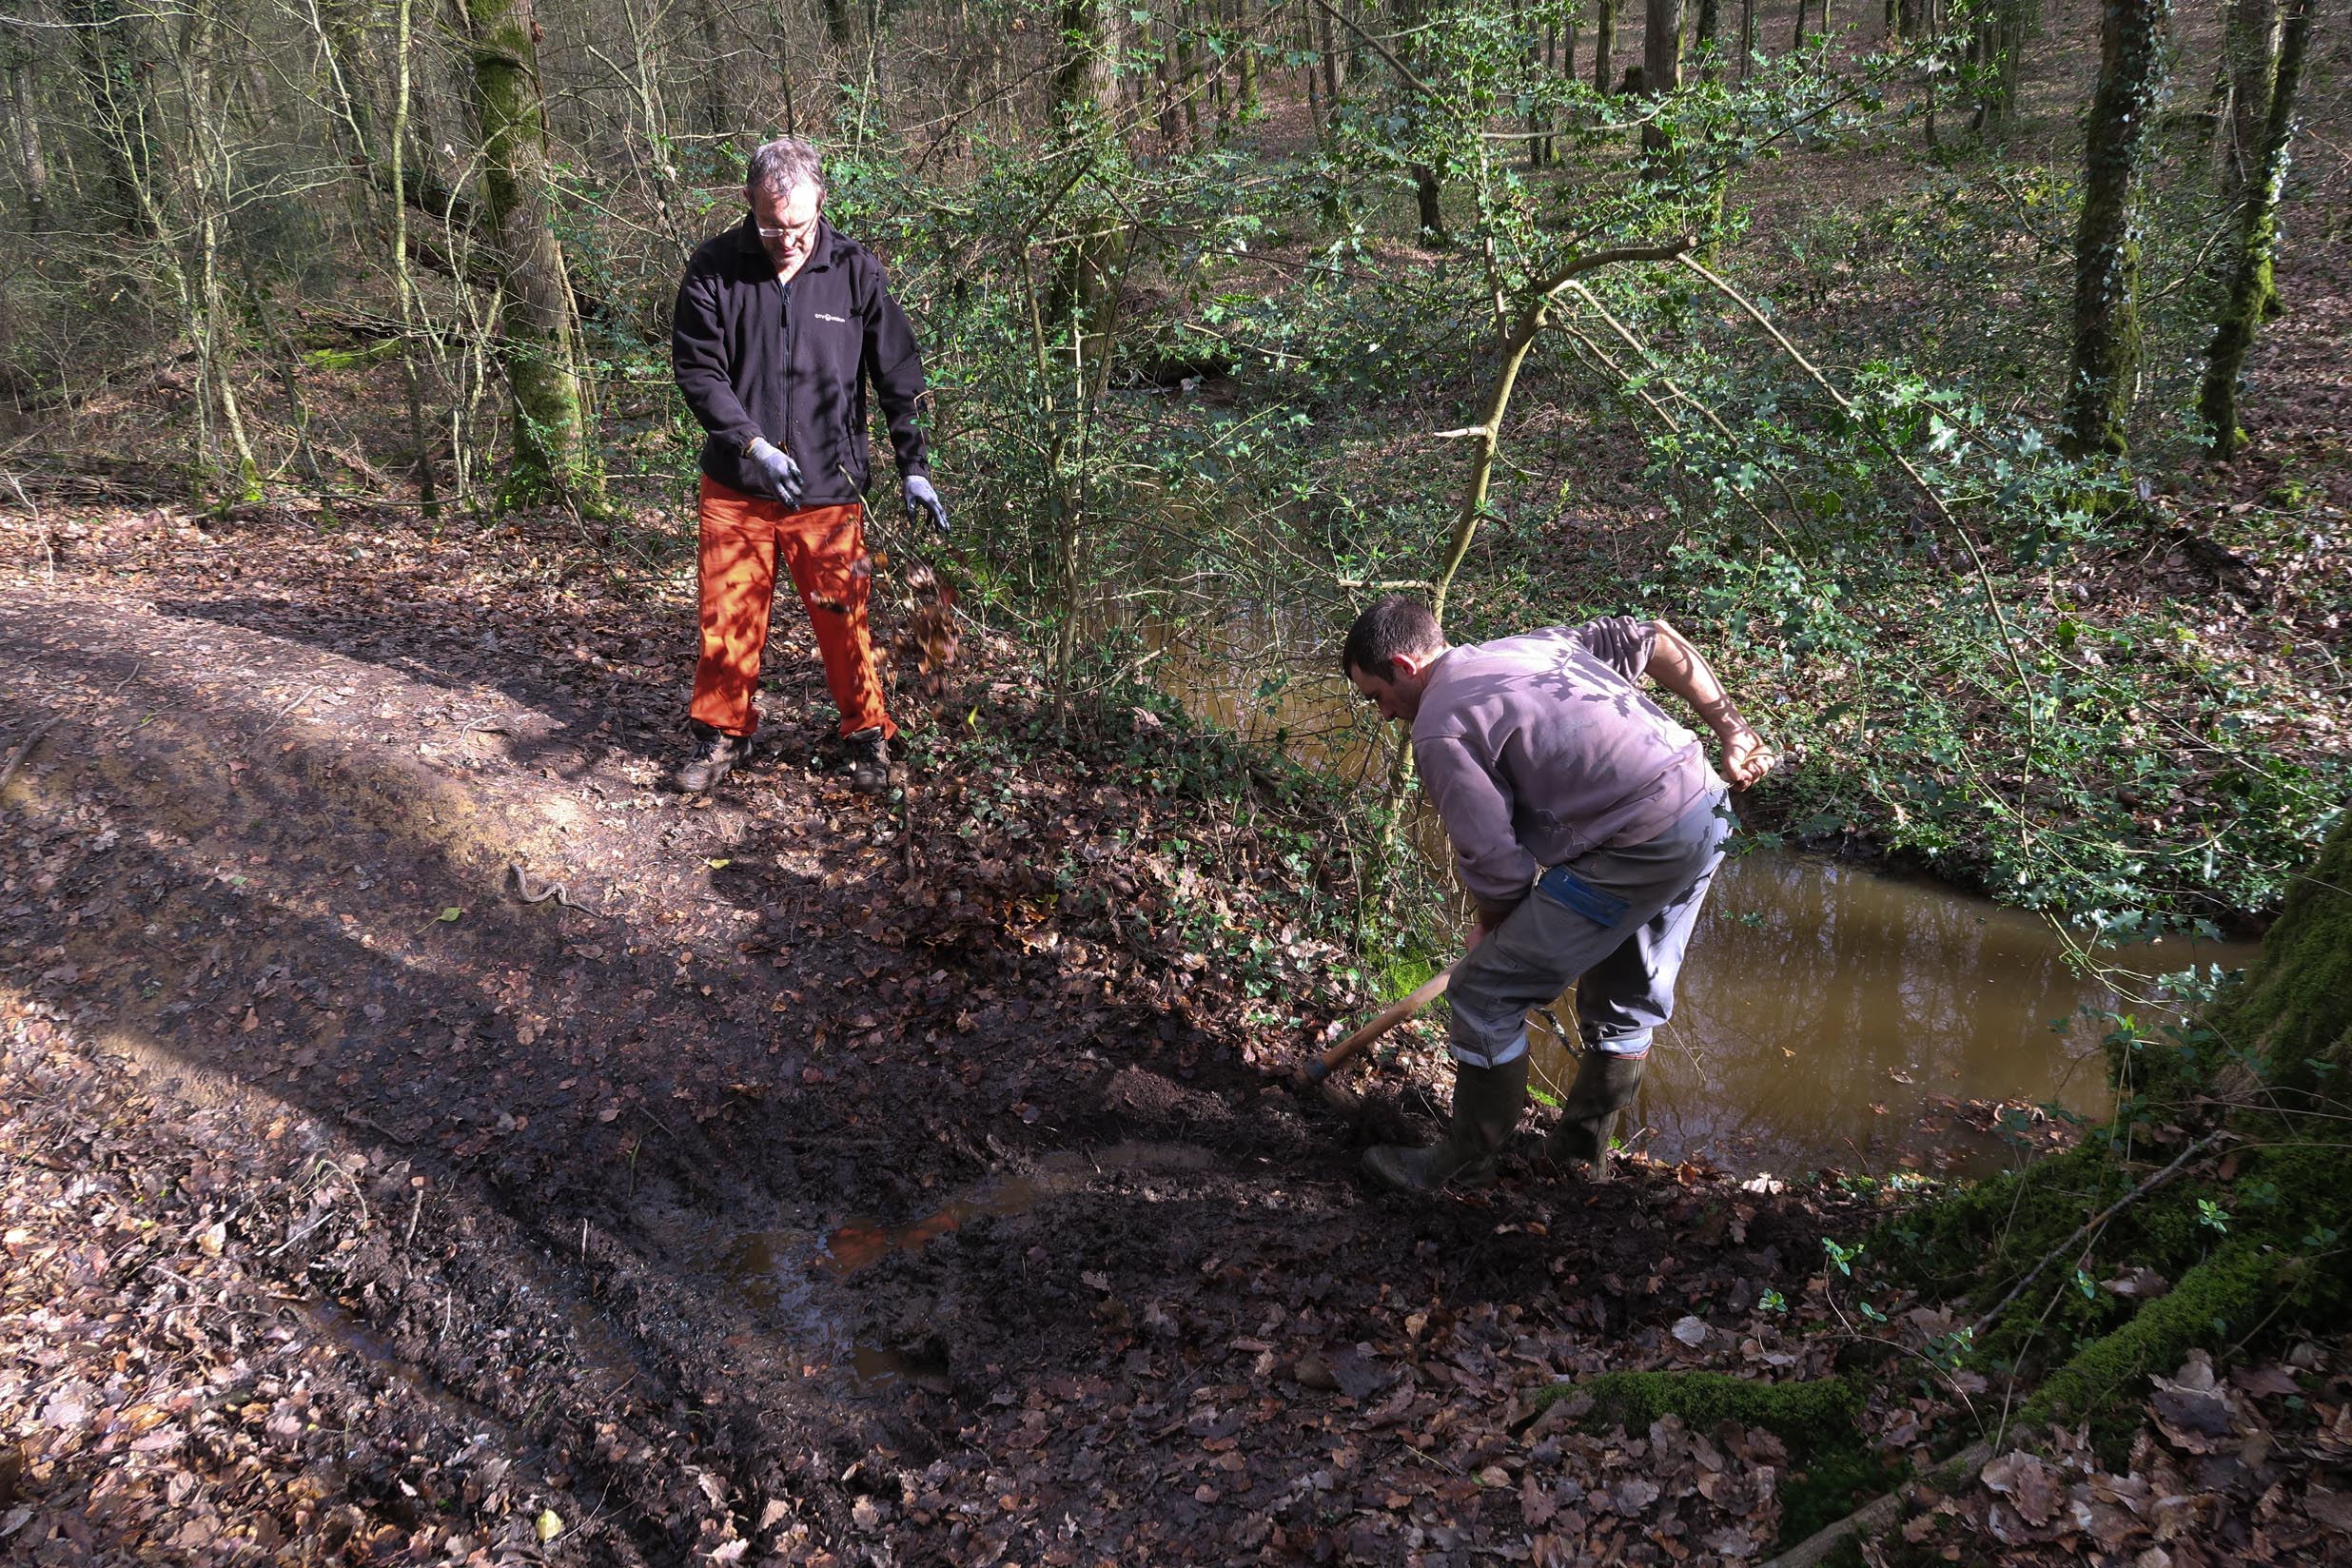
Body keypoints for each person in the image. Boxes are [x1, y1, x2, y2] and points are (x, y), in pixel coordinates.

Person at [1340, 596, 1775, 1192]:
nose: (1385, 714)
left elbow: (1495, 863)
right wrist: (1733, 727)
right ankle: (1578, 1159)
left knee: (1486, 991)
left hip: (1639, 843)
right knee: (1628, 994)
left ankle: (1462, 1168)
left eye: (1377, 697)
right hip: (1705, 811)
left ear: (1404, 664)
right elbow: (1654, 636)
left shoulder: (1441, 727)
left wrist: (1493, 929)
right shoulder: (1535, 646)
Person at [669, 136, 948, 795]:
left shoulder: (856, 271)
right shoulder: (713, 268)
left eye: (798, 224)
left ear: (822, 201)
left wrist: (915, 465)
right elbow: (698, 371)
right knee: (726, 618)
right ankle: (720, 736)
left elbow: (899, 375)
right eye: (770, 223)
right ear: (750, 203)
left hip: (829, 488)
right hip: (738, 486)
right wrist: (750, 444)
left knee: (843, 617)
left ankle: (867, 736)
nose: (786, 238)